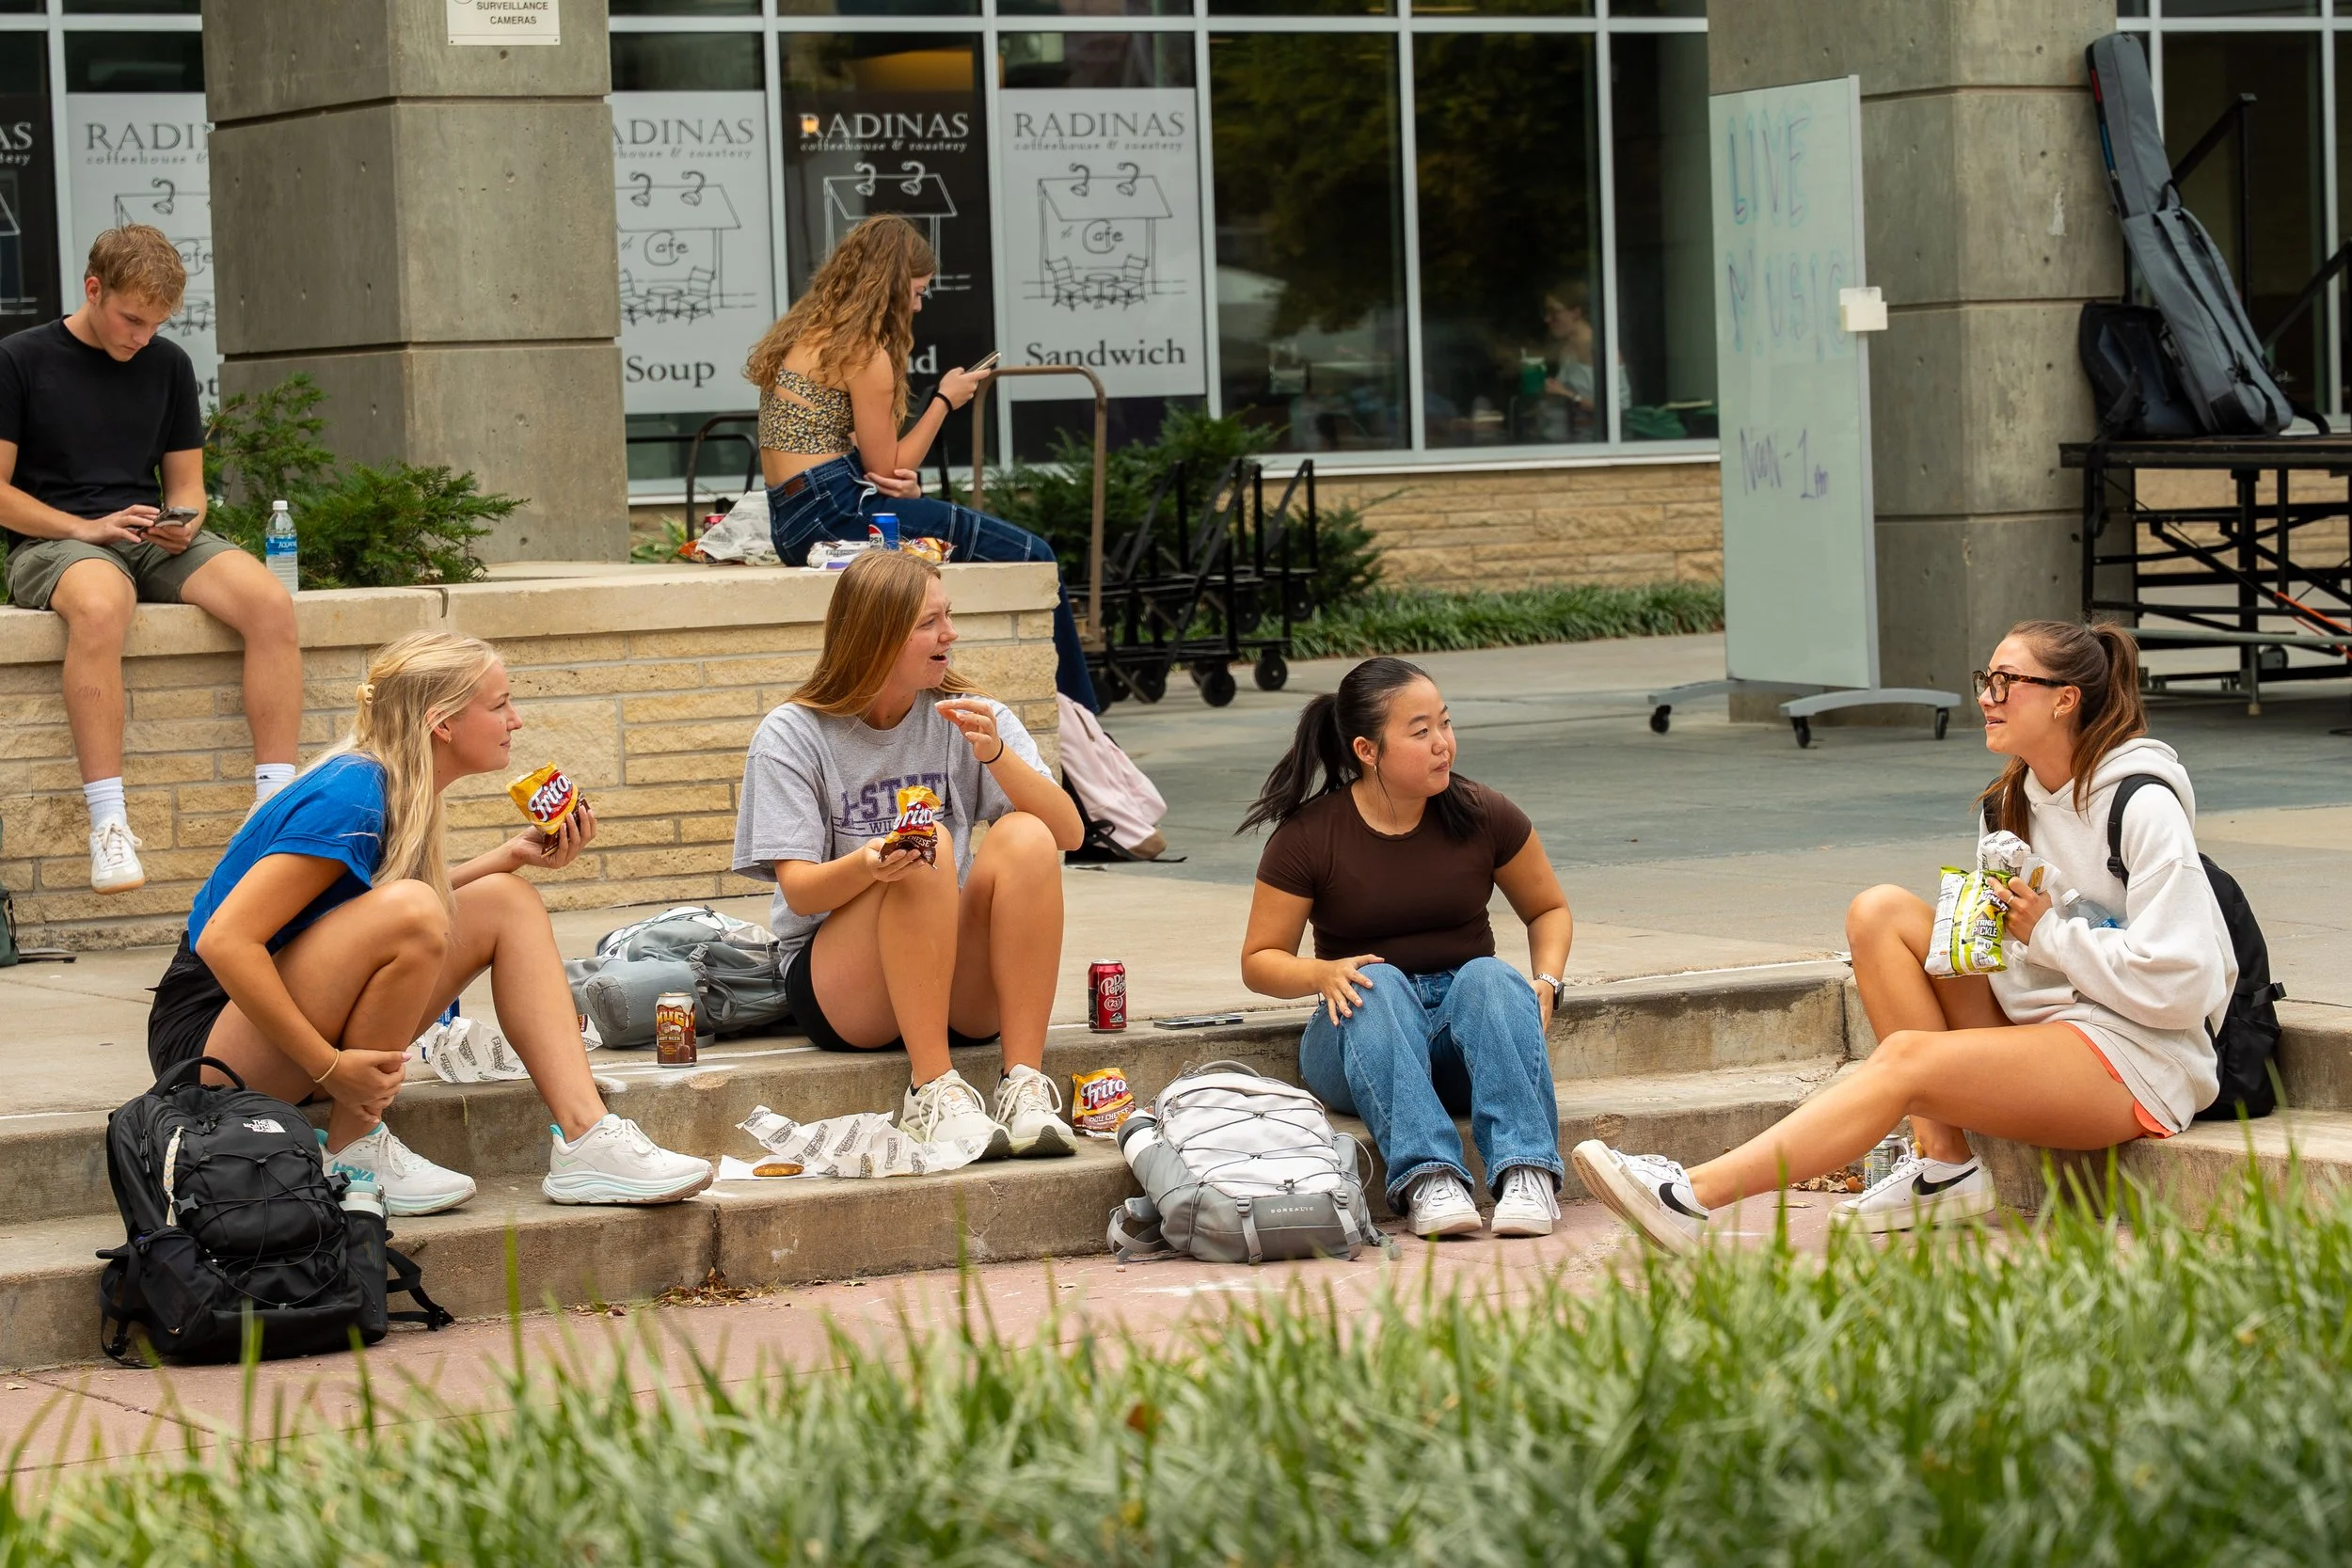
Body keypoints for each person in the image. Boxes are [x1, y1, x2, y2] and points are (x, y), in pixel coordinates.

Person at [1574, 621, 2235, 1251]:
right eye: (1986, 677)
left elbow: (2184, 980)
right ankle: (1945, 1167)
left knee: (1907, 1060)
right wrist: (1980, 928)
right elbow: (2012, 948)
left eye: (2006, 681)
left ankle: (1688, 1195)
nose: (1985, 696)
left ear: (2065, 699)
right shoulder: (2008, 802)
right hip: (2045, 1024)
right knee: (1879, 912)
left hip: (2136, 1056)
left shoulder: (2141, 804)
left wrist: (2051, 934)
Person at [148, 631, 713, 1214]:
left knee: (505, 900)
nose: (515, 721)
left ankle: (588, 1139)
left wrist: (505, 858)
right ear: (442, 723)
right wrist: (330, 1066)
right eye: (498, 705)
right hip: (210, 1053)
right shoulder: (352, 792)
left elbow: (368, 907)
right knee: (418, 908)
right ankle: (354, 1149)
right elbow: (226, 940)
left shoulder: (399, 784)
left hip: (282, 1031)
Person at [730, 548, 1088, 1156]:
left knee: (1026, 835)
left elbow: (1069, 833)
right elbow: (800, 890)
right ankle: (930, 1089)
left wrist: (997, 756)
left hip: (950, 980)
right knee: (928, 844)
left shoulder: (971, 715)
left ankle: (1023, 1083)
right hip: (842, 989)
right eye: (929, 622)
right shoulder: (793, 734)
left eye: (948, 615)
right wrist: (874, 862)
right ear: (875, 635)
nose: (950, 633)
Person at [0, 225, 302, 896]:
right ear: (93, 288)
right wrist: (87, 526)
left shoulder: (167, 365)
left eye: (155, 324)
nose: (142, 336)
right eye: (131, 319)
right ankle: (109, 825)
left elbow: (187, 489)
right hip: (55, 542)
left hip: (146, 535)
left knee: (269, 602)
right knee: (105, 604)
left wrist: (183, 523)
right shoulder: (18, 359)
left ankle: (272, 809)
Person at [1237, 657, 1573, 1240]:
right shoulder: (1310, 836)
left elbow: (1548, 910)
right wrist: (1321, 973)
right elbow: (1259, 960)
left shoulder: (1482, 813)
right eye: (1421, 733)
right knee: (1379, 981)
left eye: (1445, 723)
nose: (1443, 744)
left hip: (1461, 1039)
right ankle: (1429, 1179)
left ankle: (1527, 1173)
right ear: (1368, 750)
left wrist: (1547, 981)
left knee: (1491, 977)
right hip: (1357, 1033)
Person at [745, 213, 1101, 711]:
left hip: (794, 518)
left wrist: (897, 487)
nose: (917, 304)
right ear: (888, 288)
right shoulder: (864, 353)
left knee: (959, 535)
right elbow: (887, 467)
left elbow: (851, 456)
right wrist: (944, 400)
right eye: (915, 291)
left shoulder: (807, 337)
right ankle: (1084, 717)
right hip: (837, 511)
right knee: (1033, 552)